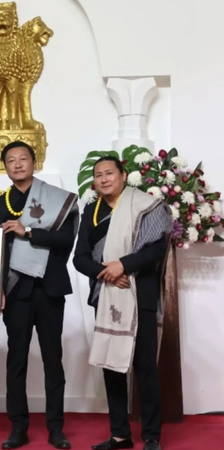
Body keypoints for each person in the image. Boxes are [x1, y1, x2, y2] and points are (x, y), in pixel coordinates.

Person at [73, 156, 172, 450]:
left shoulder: (145, 205)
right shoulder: (92, 211)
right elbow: (79, 258)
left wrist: (123, 265)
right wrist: (107, 273)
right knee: (111, 366)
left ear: (123, 175)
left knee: (145, 368)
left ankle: (151, 436)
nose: (103, 179)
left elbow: (156, 249)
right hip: (107, 295)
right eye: (98, 175)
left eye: (109, 173)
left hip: (140, 294)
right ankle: (120, 434)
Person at [0, 141, 79, 450]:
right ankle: (18, 427)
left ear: (34, 162)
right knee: (16, 360)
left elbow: (65, 241)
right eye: (11, 160)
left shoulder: (56, 199)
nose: (17, 164)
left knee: (53, 359)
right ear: (5, 167)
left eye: (23, 159)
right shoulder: (0, 204)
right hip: (16, 290)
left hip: (49, 287)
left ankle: (56, 428)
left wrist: (27, 232)